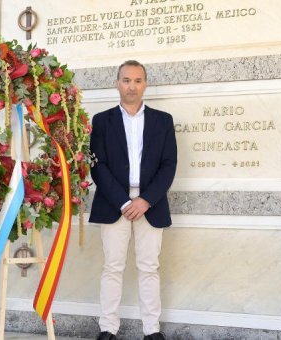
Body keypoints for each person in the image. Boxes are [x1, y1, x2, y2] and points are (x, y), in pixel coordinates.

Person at [89, 60, 177, 340]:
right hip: (114, 204)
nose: (132, 86)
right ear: (117, 83)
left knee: (149, 267)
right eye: (126, 80)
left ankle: (152, 331)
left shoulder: (162, 121)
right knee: (112, 268)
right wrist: (124, 202)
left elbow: (169, 164)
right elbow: (97, 165)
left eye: (138, 80)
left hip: (151, 205)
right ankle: (108, 329)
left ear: (145, 84)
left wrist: (145, 200)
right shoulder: (101, 121)